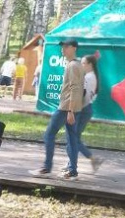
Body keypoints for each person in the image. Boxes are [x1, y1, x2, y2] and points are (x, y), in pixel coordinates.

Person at [31, 38, 84, 180]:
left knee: (49, 134)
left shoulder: (72, 66)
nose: (63, 49)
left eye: (66, 46)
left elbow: (75, 88)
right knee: (72, 139)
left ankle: (47, 168)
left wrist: (71, 111)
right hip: (74, 108)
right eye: (62, 47)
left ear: (73, 48)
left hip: (67, 108)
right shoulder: (78, 64)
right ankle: (72, 171)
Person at [70, 54, 104, 175]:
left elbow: (84, 97)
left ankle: (91, 160)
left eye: (83, 63)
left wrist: (74, 109)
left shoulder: (89, 77)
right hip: (85, 109)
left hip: (83, 110)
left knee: (73, 138)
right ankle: (72, 164)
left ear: (90, 64)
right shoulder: (91, 76)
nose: (81, 65)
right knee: (74, 138)